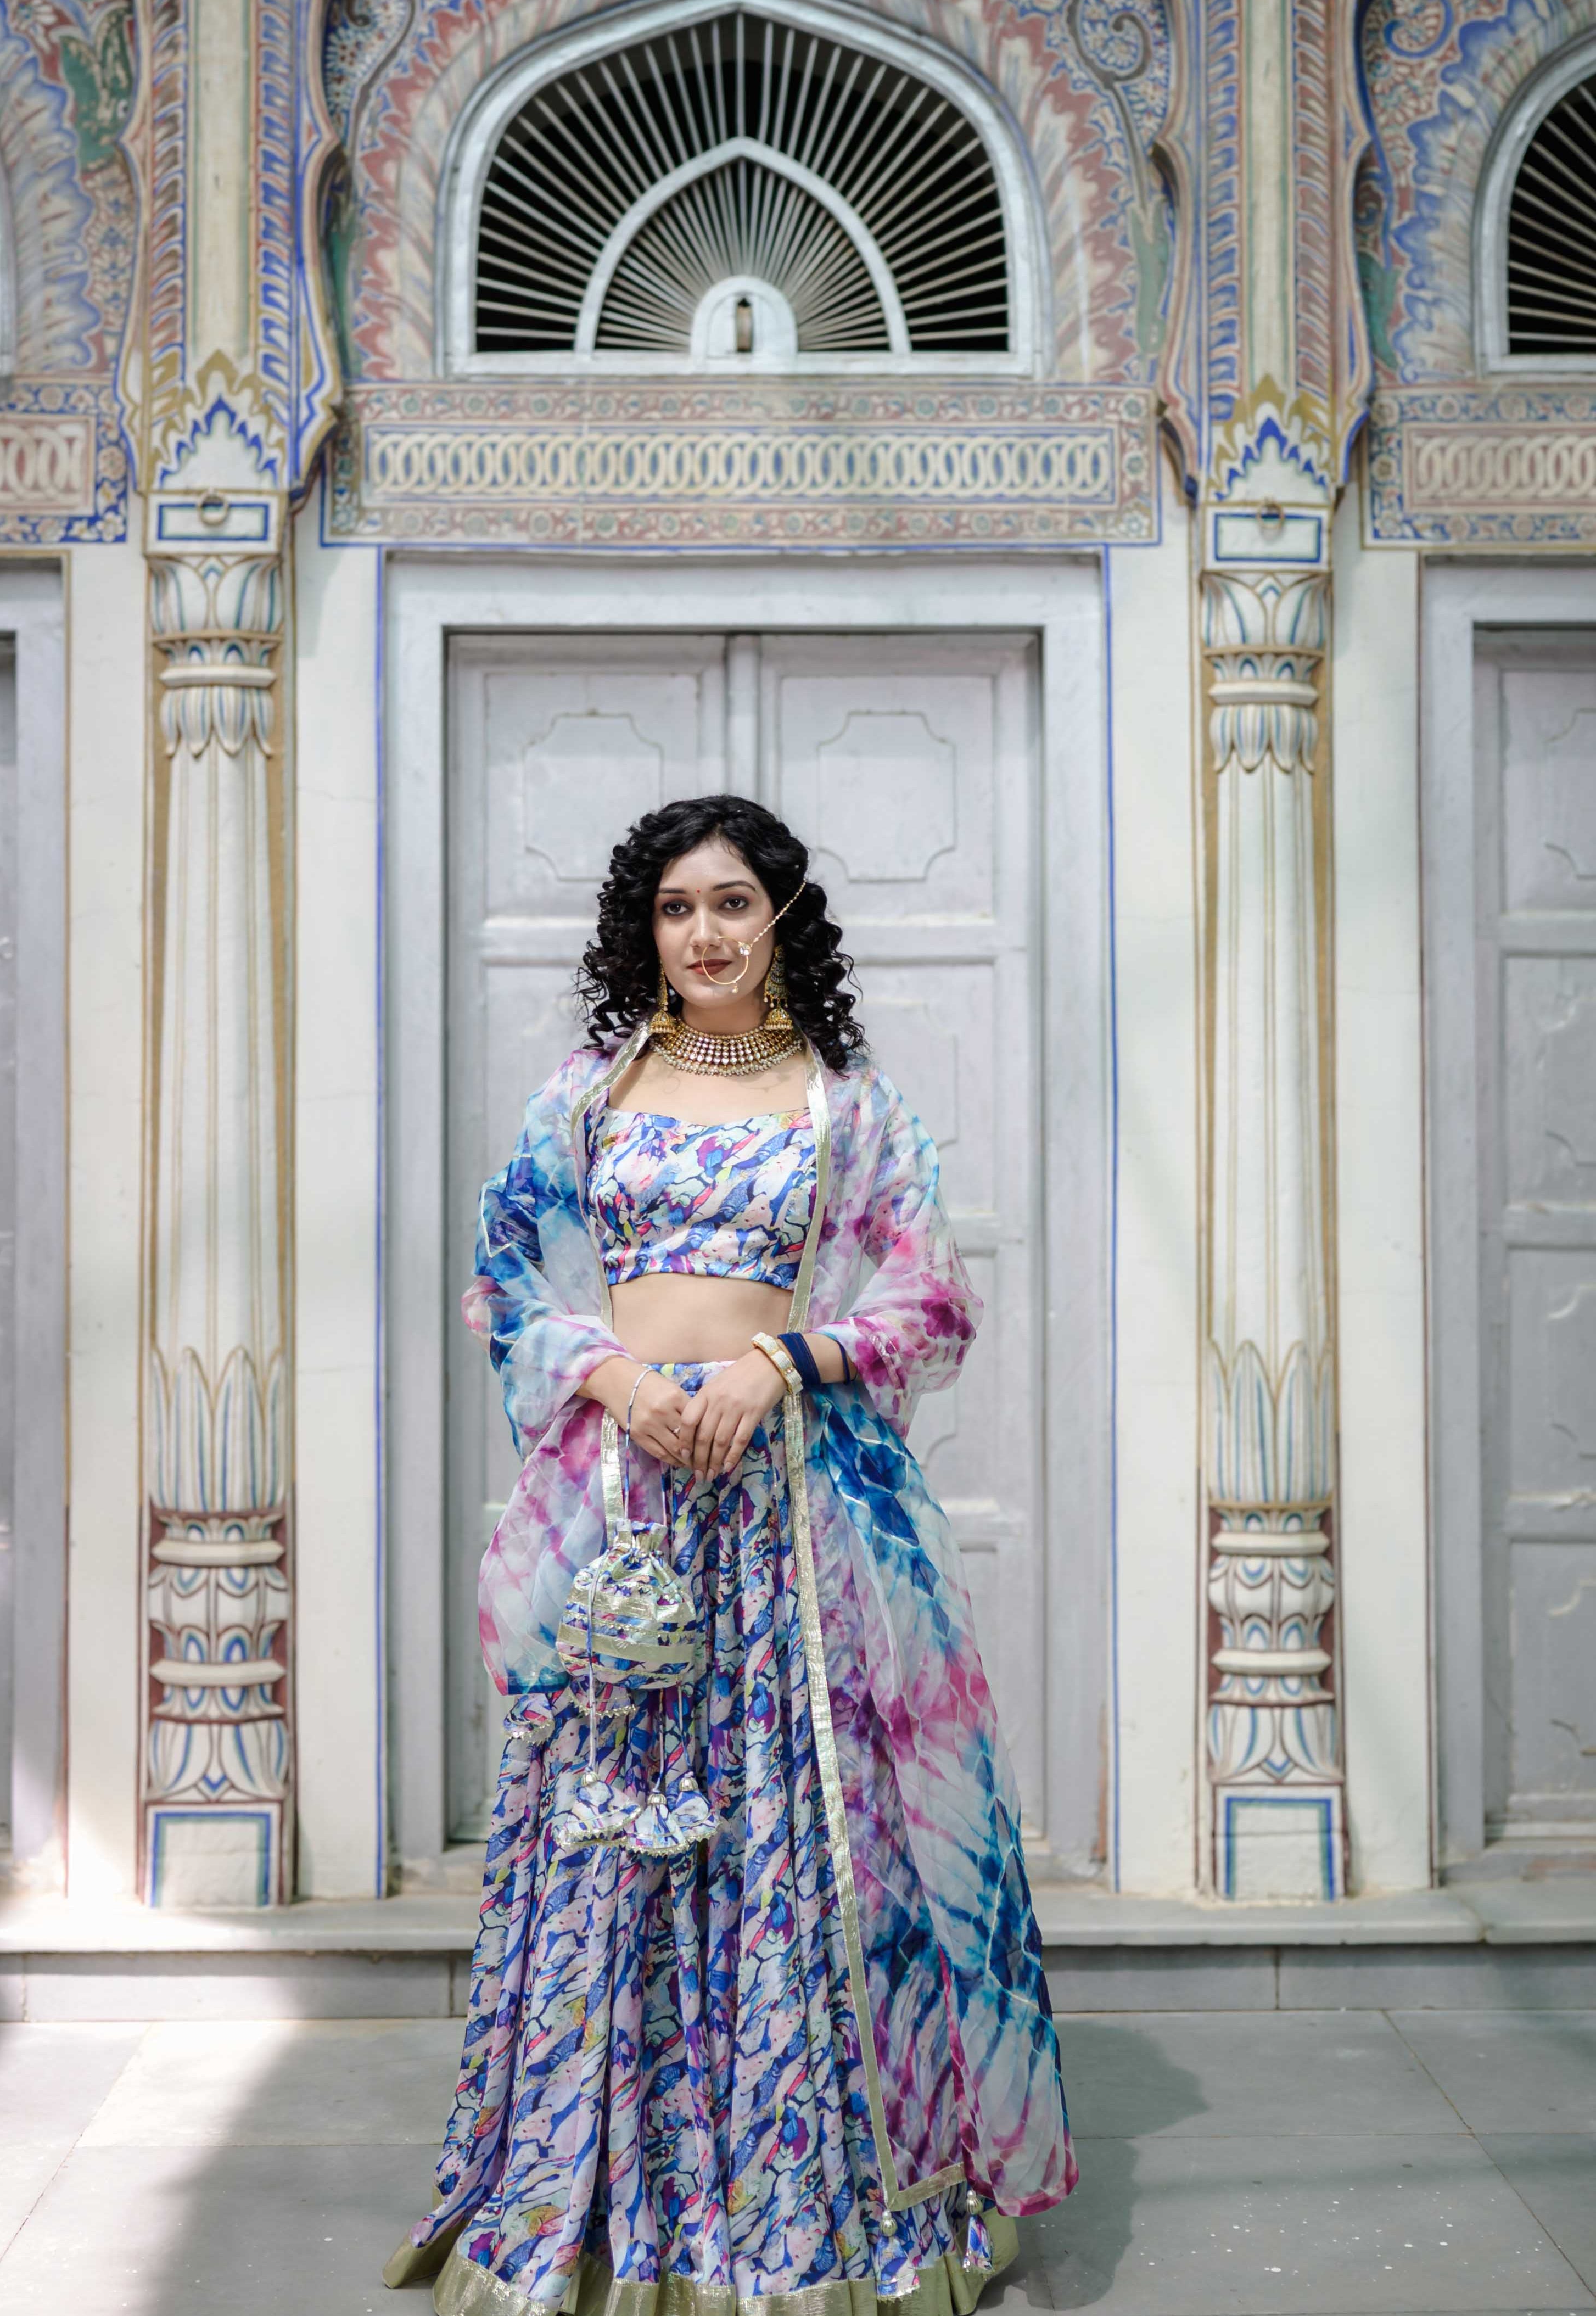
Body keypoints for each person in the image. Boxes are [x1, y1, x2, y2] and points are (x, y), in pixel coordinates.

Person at [384, 796, 1076, 2316]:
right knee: (614, 1841)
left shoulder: (850, 1108)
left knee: (789, 1844)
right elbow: (504, 1272)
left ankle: (804, 2218)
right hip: (623, 1524)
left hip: (795, 1534)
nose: (705, 932)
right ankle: (596, 2211)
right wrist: (618, 1379)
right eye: (678, 907)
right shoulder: (586, 1093)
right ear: (648, 928)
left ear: (782, 923)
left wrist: (786, 1356)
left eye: (734, 904)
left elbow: (928, 1304)